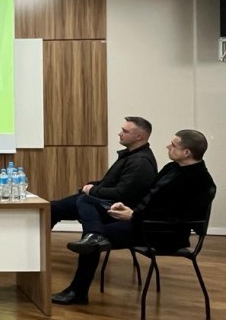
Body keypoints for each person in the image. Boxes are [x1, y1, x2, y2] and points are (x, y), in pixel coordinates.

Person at [53, 129, 215, 305]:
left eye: (174, 145)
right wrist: (127, 208)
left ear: (186, 152)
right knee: (85, 200)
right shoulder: (171, 168)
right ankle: (95, 236)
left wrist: (134, 215)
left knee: (91, 241)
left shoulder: (201, 181)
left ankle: (78, 291)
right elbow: (147, 196)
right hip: (139, 220)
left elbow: (177, 217)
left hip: (159, 233)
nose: (168, 146)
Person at [50, 116, 157, 229]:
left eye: (125, 131)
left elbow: (121, 193)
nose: (120, 134)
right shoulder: (130, 155)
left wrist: (92, 190)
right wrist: (92, 186)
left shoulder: (140, 161)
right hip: (105, 200)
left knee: (54, 208)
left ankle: (94, 237)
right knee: (52, 208)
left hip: (113, 206)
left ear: (139, 136)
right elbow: (112, 182)